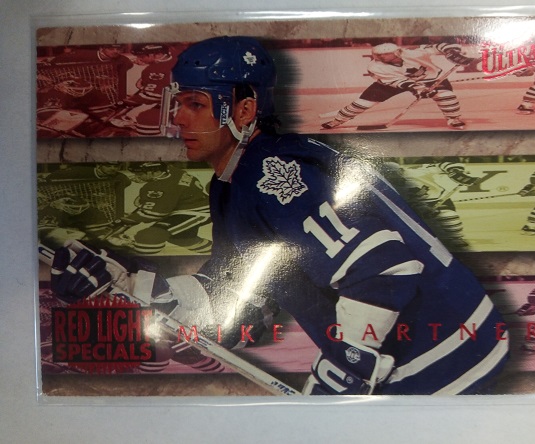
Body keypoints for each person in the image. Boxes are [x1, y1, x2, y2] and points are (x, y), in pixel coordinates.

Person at [49, 36, 509, 395]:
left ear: (245, 109)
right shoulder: (230, 182)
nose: (179, 120)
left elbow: (383, 268)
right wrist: (128, 283)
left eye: (196, 104)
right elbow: (236, 302)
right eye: (180, 104)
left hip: (442, 355)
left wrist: (347, 368)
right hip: (442, 348)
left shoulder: (272, 171)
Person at [321, 42, 475, 130]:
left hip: (430, 78)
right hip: (390, 84)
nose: (381, 56)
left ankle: (453, 119)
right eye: (378, 54)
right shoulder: (375, 66)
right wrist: (418, 89)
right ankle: (338, 120)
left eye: (385, 54)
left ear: (397, 52)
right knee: (362, 103)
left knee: (446, 96)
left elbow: (437, 46)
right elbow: (399, 82)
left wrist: (450, 51)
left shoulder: (413, 54)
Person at [380, 159, 479, 250]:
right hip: (409, 207)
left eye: (395, 173)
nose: (393, 177)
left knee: (448, 216)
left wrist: (455, 170)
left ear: (401, 171)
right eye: (389, 175)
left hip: (435, 200)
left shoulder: (416, 172)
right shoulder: (384, 188)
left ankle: (455, 238)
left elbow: (440, 165)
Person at [120, 161, 212, 255]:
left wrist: (126, 221)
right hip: (189, 208)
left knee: (149, 236)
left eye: (140, 174)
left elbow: (153, 214)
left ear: (156, 172)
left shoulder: (160, 187)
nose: (138, 177)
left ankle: (136, 256)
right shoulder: (175, 172)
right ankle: (215, 251)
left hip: (197, 211)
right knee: (179, 238)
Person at [110, 44, 179, 136]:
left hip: (176, 106)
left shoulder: (155, 69)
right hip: (183, 101)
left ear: (157, 54)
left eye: (142, 56)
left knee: (145, 119)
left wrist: (126, 102)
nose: (139, 59)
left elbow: (154, 96)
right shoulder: (176, 59)